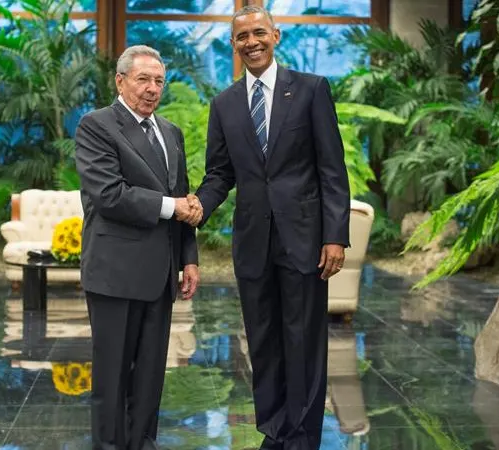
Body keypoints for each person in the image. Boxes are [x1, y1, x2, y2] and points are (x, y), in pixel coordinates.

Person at [192, 6, 351, 449]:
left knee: (303, 341)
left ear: (276, 35)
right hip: (253, 242)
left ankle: (302, 435)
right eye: (242, 36)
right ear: (234, 45)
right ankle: (275, 429)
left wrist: (335, 235)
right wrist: (198, 208)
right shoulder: (224, 104)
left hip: (304, 239)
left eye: (259, 32)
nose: (252, 42)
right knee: (262, 343)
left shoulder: (311, 91)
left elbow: (332, 170)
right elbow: (220, 174)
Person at [74, 44, 201, 450]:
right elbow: (110, 195)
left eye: (159, 81)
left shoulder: (171, 132)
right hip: (115, 272)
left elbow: (180, 195)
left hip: (160, 274)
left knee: (149, 377)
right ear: (120, 81)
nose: (151, 89)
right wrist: (173, 207)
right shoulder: (96, 126)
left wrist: (189, 259)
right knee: (112, 378)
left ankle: (143, 444)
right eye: (142, 79)